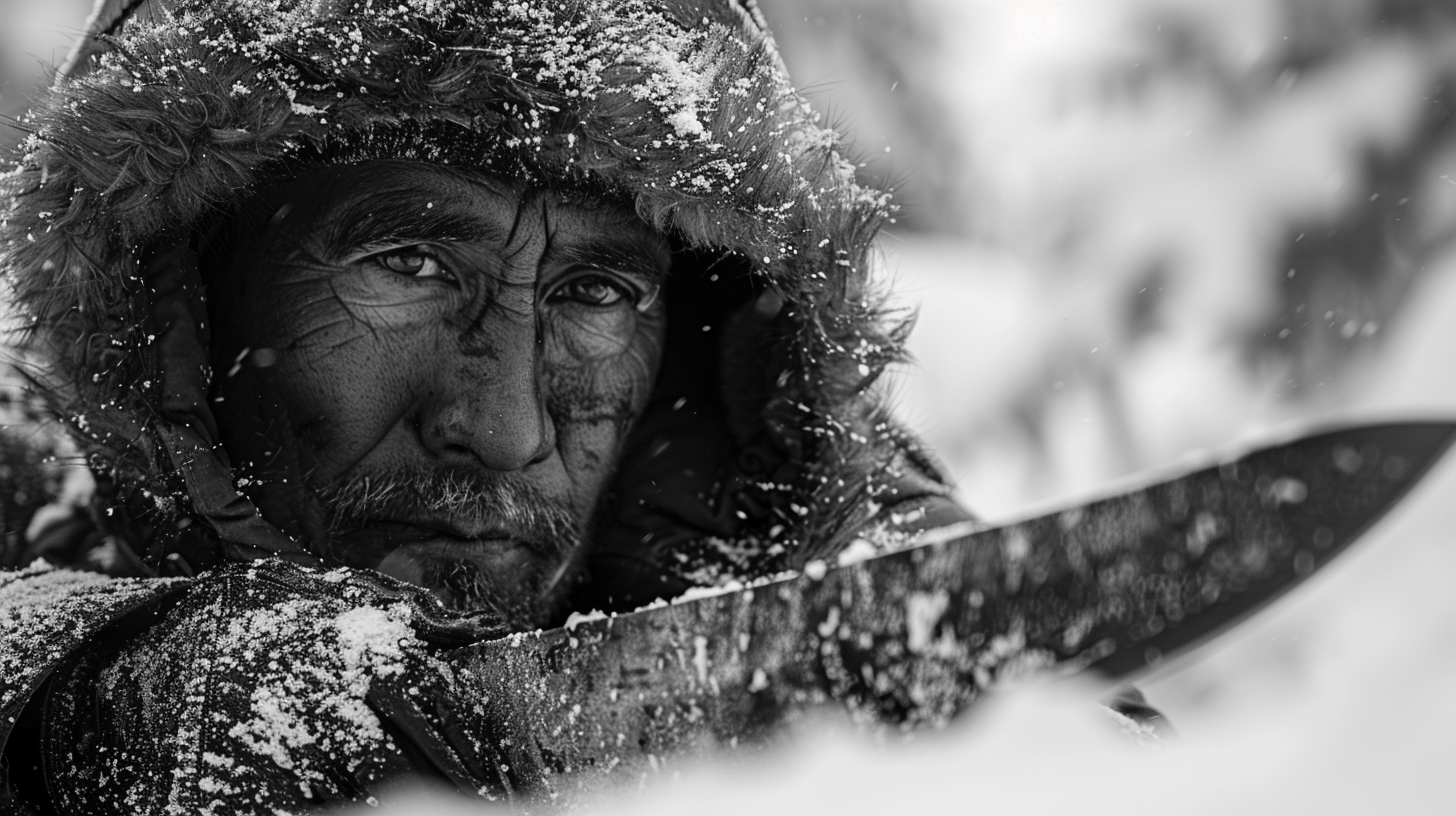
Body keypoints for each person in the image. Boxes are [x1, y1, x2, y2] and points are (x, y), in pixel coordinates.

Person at [0, 0, 981, 811]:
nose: (507, 430)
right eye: (411, 264)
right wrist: (77, 712)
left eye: (595, 294)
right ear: (175, 302)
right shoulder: (24, 468)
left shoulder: (804, 524)